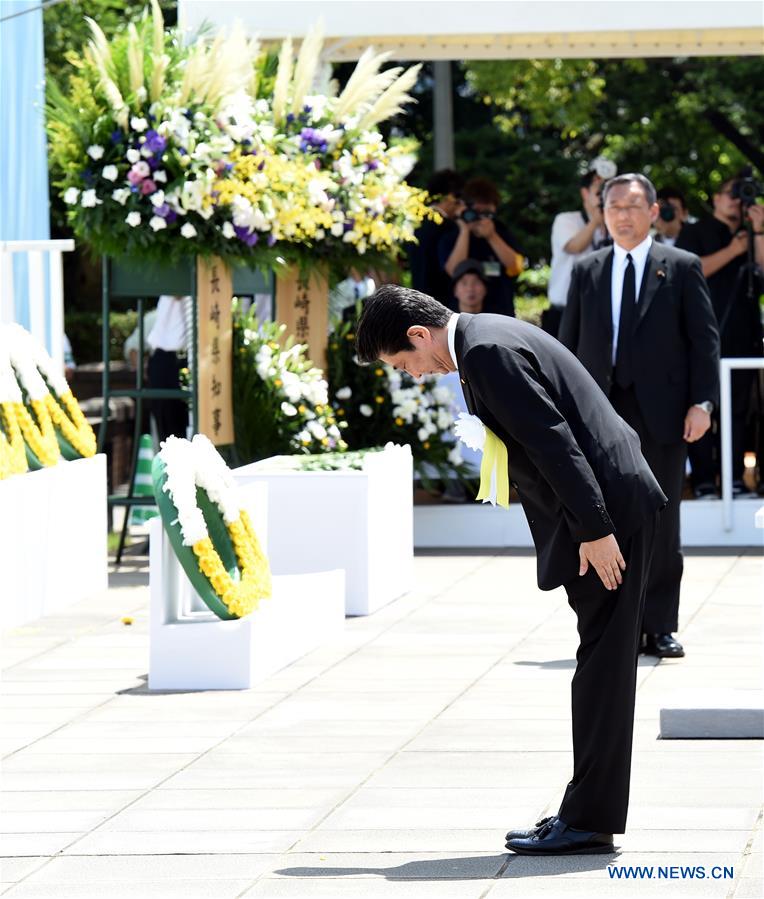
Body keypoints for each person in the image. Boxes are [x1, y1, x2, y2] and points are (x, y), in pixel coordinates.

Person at [356, 284, 667, 856]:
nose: (415, 375)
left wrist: (595, 531)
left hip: (608, 512)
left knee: (603, 664)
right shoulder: (486, 333)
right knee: (601, 659)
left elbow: (555, 445)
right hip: (604, 504)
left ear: (419, 335)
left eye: (405, 362)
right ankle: (588, 812)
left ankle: (588, 820)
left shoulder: (484, 352)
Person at [560, 173, 719, 661]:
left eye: (632, 206)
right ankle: (616, 627)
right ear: (601, 214)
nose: (622, 215)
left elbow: (704, 341)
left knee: (662, 520)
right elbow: (567, 345)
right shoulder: (586, 270)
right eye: (613, 207)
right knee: (604, 518)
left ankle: (659, 625)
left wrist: (703, 403)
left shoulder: (681, 265)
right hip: (599, 413)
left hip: (663, 414)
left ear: (652, 212)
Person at [676, 176, 764, 498]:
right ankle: (703, 481)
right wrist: (733, 250)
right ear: (715, 198)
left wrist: (757, 232)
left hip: (743, 337)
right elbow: (691, 269)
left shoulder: (751, 234)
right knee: (701, 408)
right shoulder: (695, 232)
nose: (736, 202)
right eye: (731, 194)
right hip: (701, 336)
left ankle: (735, 479)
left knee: (739, 412)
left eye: (742, 196)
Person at [545, 159, 614, 337]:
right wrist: (595, 222)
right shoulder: (566, 220)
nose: (603, 197)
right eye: (599, 191)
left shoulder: (616, 227)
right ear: (584, 193)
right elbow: (574, 246)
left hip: (601, 314)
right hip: (564, 312)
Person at [439, 177, 524, 316]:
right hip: (463, 315)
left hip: (500, 313)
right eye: (477, 212)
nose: (482, 218)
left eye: (487, 213)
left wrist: (492, 236)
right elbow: (453, 271)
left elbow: (516, 267)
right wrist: (465, 231)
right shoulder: (451, 237)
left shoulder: (503, 233)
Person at [408, 169, 464, 307]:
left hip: (417, 297)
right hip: (444, 301)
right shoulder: (450, 227)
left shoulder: (413, 222)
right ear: (451, 197)